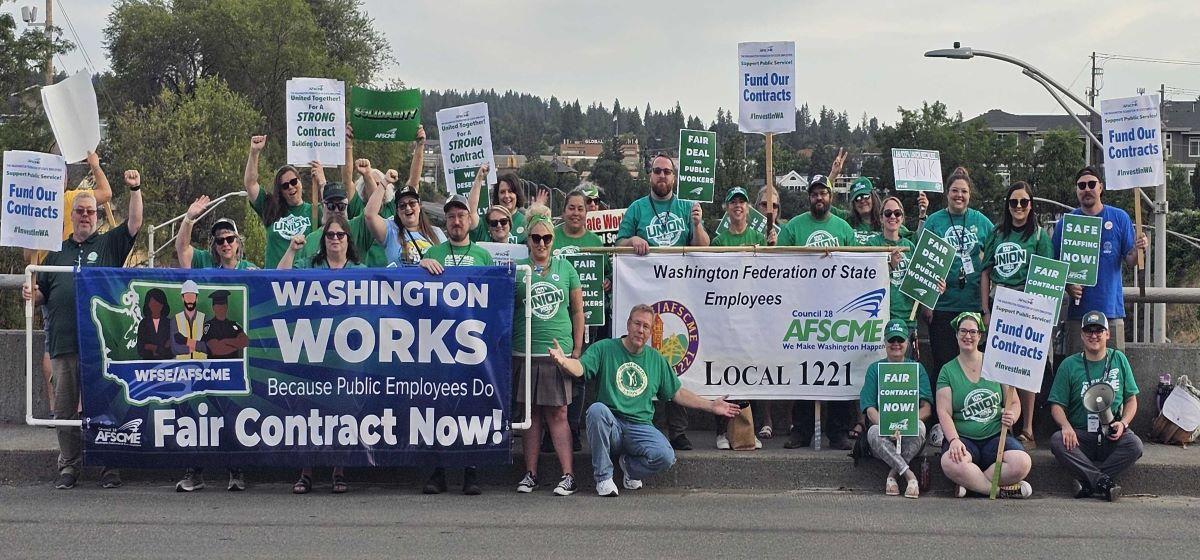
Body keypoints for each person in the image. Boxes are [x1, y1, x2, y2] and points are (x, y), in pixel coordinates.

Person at [23, 169, 143, 490]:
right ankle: (70, 466)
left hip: (103, 347)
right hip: (64, 343)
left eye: (91, 211)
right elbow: (42, 293)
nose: (87, 215)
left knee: (104, 407)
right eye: (81, 211)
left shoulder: (108, 244)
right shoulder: (55, 251)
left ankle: (109, 464)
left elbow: (134, 224)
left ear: (97, 216)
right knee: (64, 410)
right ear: (72, 215)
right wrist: (30, 293)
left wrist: (135, 189)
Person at [547, 305, 741, 496]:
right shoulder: (605, 348)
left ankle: (629, 468)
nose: (640, 330)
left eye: (646, 327)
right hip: (611, 425)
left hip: (640, 427)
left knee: (665, 456)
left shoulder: (656, 359)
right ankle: (604, 478)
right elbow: (581, 368)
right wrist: (564, 362)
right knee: (596, 410)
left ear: (650, 332)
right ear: (628, 324)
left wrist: (710, 405)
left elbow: (677, 393)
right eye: (637, 324)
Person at [615, 153, 710, 451]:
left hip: (681, 295)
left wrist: (697, 225)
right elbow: (618, 243)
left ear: (674, 177)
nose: (662, 176)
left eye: (667, 172)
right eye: (657, 171)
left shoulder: (686, 207)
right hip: (644, 296)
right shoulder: (636, 208)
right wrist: (632, 241)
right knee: (645, 356)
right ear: (650, 176)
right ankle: (647, 426)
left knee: (677, 360)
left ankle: (678, 430)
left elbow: (702, 248)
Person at [278, 215, 363, 495]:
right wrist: (291, 249)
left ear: (348, 240)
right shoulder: (311, 266)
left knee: (343, 413)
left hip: (347, 355)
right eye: (330, 235)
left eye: (340, 235)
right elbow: (281, 278)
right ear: (323, 239)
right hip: (312, 350)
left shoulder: (360, 270)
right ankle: (306, 471)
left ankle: (339, 470)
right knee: (308, 412)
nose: (335, 239)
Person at [28, 150, 116, 420]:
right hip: (50, 274)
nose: (84, 214)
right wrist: (95, 166)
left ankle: (66, 407)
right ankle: (61, 408)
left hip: (72, 268)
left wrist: (94, 165)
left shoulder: (58, 200)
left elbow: (103, 196)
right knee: (54, 343)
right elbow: (107, 192)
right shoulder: (48, 201)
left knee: (70, 346)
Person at [418, 194, 493, 495]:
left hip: (473, 345)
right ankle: (438, 472)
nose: (456, 221)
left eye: (461, 215)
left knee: (471, 408)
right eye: (451, 217)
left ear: (470, 221)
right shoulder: (435, 250)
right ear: (445, 222)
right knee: (439, 408)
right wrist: (422, 263)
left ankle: (470, 471)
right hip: (440, 343)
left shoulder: (483, 255)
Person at [777, 174, 857, 450]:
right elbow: (778, 263)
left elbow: (860, 267)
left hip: (837, 311)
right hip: (802, 310)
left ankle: (838, 432)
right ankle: (801, 430)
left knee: (837, 370)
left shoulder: (844, 229)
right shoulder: (794, 227)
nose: (819, 198)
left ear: (831, 196)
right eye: (814, 194)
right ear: (809, 197)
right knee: (803, 371)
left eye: (823, 193)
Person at [512, 205, 585, 496]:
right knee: (531, 417)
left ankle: (568, 475)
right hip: (524, 352)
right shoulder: (517, 269)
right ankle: (530, 473)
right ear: (528, 240)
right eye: (535, 238)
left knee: (559, 414)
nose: (541, 243)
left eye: (546, 238)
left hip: (557, 354)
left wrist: (577, 350)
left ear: (553, 240)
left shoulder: (566, 268)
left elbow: (578, 311)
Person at [980, 181, 1053, 448]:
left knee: (1026, 369)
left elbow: (1047, 274)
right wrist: (985, 310)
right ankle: (1004, 426)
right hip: (1000, 303)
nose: (1019, 207)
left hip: (1028, 306)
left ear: (1031, 205)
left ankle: (1028, 428)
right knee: (999, 368)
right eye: (1014, 202)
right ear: (1007, 206)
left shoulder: (1039, 236)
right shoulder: (997, 233)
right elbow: (985, 271)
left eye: (1024, 202)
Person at [1047, 311, 1143, 502]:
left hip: (1111, 433)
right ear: (1082, 335)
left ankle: (1089, 484)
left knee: (1135, 446)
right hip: (1081, 435)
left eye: (1099, 330)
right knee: (1058, 441)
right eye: (1088, 331)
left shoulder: (1119, 359)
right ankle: (1103, 483)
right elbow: (1056, 405)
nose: (1094, 335)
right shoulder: (1069, 365)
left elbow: (1131, 400)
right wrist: (1066, 427)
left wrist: (1123, 423)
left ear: (1107, 334)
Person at [1052, 166, 1148, 353]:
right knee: (1077, 373)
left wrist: (1139, 249)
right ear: (1077, 190)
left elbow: (1130, 260)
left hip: (1111, 312)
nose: (1086, 188)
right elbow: (1053, 266)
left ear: (1101, 187)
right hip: (1078, 315)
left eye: (1091, 184)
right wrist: (1067, 286)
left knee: (1113, 373)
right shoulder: (1066, 223)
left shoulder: (1119, 217)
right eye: (1081, 185)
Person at [936, 312, 1032, 498]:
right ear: (956, 335)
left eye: (973, 331)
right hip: (963, 438)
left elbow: (1013, 402)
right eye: (963, 331)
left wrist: (1012, 414)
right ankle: (995, 490)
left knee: (1022, 462)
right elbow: (944, 411)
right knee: (949, 461)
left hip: (995, 437)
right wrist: (954, 440)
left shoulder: (996, 363)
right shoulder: (947, 370)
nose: (967, 336)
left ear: (980, 336)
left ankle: (972, 484)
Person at [175, 289, 250, 493]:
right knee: (201, 424)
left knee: (231, 424)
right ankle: (195, 472)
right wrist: (227, 344)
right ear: (213, 307)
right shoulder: (207, 326)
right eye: (217, 305)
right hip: (210, 380)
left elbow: (244, 341)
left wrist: (226, 343)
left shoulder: (233, 324)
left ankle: (235, 471)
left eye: (223, 305)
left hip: (231, 381)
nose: (220, 308)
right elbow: (214, 349)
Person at [550, 188, 608, 451]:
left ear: (587, 212)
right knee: (553, 372)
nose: (575, 213)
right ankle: (550, 432)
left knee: (579, 373)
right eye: (571, 207)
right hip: (554, 318)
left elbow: (607, 274)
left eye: (580, 208)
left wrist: (607, 281)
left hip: (587, 320)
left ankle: (572, 429)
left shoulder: (596, 243)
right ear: (564, 211)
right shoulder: (552, 238)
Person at [921, 167, 993, 372]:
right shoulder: (934, 221)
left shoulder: (981, 221)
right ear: (947, 193)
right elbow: (923, 263)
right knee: (943, 364)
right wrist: (927, 303)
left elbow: (994, 256)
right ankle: (943, 405)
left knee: (973, 366)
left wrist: (986, 308)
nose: (959, 195)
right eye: (954, 190)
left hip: (972, 304)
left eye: (964, 191)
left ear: (970, 195)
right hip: (943, 306)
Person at [710, 187, 767, 450]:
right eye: (733, 202)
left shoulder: (758, 236)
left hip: (752, 314)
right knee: (723, 375)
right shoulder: (719, 241)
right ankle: (722, 431)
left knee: (749, 372)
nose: (738, 206)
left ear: (748, 208)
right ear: (727, 208)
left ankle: (747, 428)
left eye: (742, 202)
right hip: (725, 315)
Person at [860, 320, 933, 498]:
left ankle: (892, 475)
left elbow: (927, 408)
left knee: (921, 428)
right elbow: (869, 409)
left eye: (900, 340)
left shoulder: (917, 369)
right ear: (884, 342)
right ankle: (910, 476)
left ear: (907, 343)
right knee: (873, 432)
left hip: (908, 434)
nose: (896, 344)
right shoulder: (874, 369)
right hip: (884, 434)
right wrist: (888, 427)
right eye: (891, 340)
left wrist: (907, 425)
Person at [242, 135, 316, 268]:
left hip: (304, 281)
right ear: (280, 191)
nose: (291, 187)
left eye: (293, 182)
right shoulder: (271, 207)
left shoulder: (315, 211)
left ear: (300, 182)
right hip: (274, 280)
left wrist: (321, 182)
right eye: (285, 185)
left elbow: (338, 216)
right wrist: (254, 152)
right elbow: (250, 183)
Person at [296, 160, 386, 267]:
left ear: (347, 205)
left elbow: (373, 211)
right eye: (331, 206)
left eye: (341, 206)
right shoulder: (309, 241)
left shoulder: (357, 228)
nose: (336, 211)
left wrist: (367, 176)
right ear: (323, 206)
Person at [176, 198, 258, 270]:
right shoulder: (204, 261)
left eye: (230, 239)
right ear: (215, 246)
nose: (225, 244)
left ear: (237, 242)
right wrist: (189, 219)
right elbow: (182, 249)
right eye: (220, 240)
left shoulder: (248, 269)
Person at [471, 171, 529, 242]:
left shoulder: (526, 222)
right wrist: (479, 178)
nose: (506, 196)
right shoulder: (486, 222)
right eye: (502, 192)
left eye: (510, 191)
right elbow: (471, 213)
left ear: (517, 194)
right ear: (497, 195)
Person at [170, 281, 206, 359]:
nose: (190, 300)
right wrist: (194, 348)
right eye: (187, 297)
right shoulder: (175, 319)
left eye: (192, 297)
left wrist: (185, 341)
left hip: (203, 367)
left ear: (197, 298)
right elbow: (174, 348)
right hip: (181, 368)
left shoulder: (204, 318)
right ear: (182, 298)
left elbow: (207, 346)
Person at [136, 288, 174, 361]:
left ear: (163, 305)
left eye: (158, 303)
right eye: (152, 303)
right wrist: (161, 349)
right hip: (147, 367)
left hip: (167, 366)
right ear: (148, 305)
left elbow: (172, 350)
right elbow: (140, 349)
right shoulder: (143, 324)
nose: (155, 306)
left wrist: (152, 347)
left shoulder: (169, 323)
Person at [846, 177, 885, 246]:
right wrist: (833, 174)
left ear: (873, 197)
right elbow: (823, 206)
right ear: (853, 203)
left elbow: (907, 235)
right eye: (857, 198)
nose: (862, 201)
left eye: (866, 196)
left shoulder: (887, 220)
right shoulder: (846, 219)